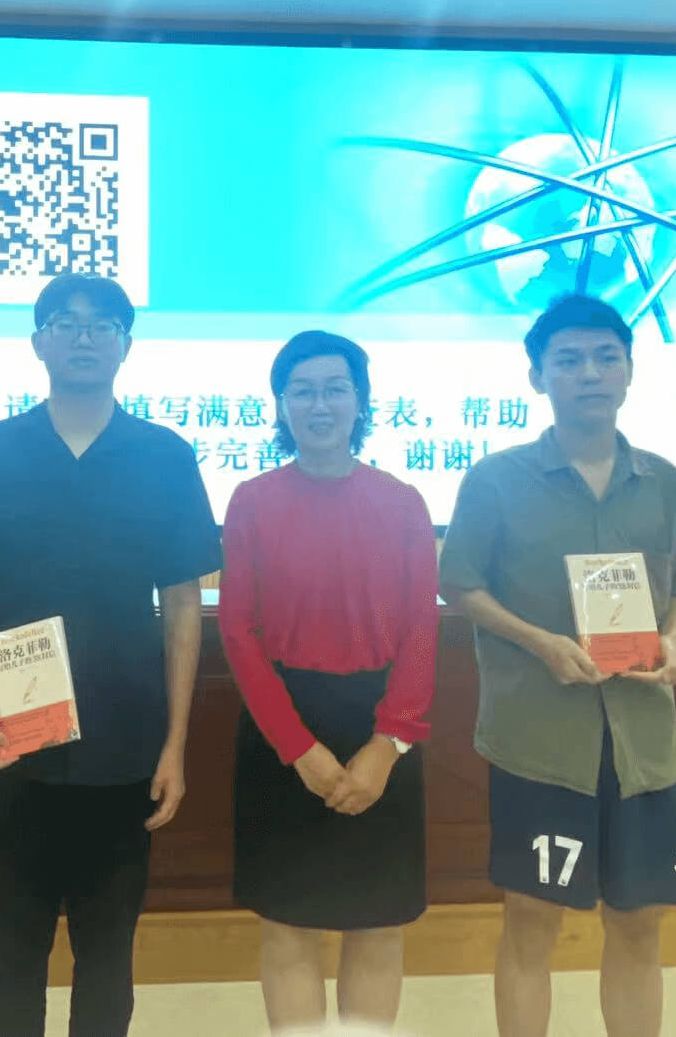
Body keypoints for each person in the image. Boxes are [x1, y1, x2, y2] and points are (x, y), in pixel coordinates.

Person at [0, 272, 222, 1037]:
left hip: (124, 745)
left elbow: (183, 604)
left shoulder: (164, 455)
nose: (83, 337)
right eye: (65, 323)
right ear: (38, 342)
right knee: (9, 962)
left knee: (107, 961)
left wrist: (174, 744)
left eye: (102, 325)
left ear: (125, 344)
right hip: (8, 741)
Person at [439, 293, 676, 1037]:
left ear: (629, 371)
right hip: (540, 741)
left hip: (643, 742)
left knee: (639, 922)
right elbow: (459, 583)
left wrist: (673, 640)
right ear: (537, 376)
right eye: (569, 360)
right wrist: (540, 642)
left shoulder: (666, 483)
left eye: (606, 357)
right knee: (532, 921)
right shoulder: (495, 479)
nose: (590, 373)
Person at [219, 330, 440, 1033]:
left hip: (382, 730)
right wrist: (299, 750)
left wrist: (387, 746)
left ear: (361, 402)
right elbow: (238, 633)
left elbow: (420, 631)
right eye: (303, 391)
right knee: (288, 928)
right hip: (283, 726)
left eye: (336, 389)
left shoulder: (402, 502)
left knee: (377, 927)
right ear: (281, 405)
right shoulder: (252, 501)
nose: (320, 405)